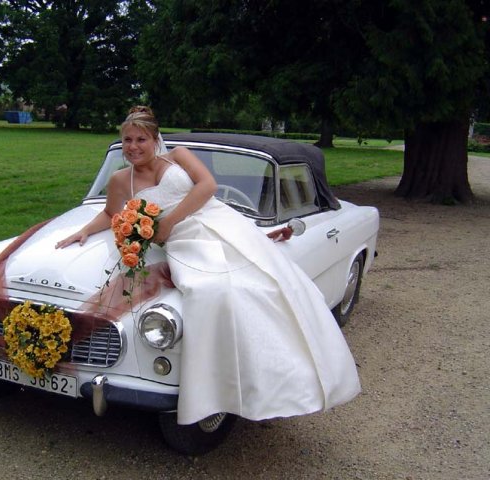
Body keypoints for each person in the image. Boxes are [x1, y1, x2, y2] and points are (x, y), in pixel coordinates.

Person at [55, 106, 360, 425]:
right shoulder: (120, 180)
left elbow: (207, 186)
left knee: (265, 283)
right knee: (209, 290)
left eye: (140, 139)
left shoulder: (179, 156)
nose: (133, 147)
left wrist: (168, 221)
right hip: (185, 242)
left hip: (218, 223)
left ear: (155, 139)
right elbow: (110, 213)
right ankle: (217, 388)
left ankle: (286, 367)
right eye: (127, 140)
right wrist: (82, 232)